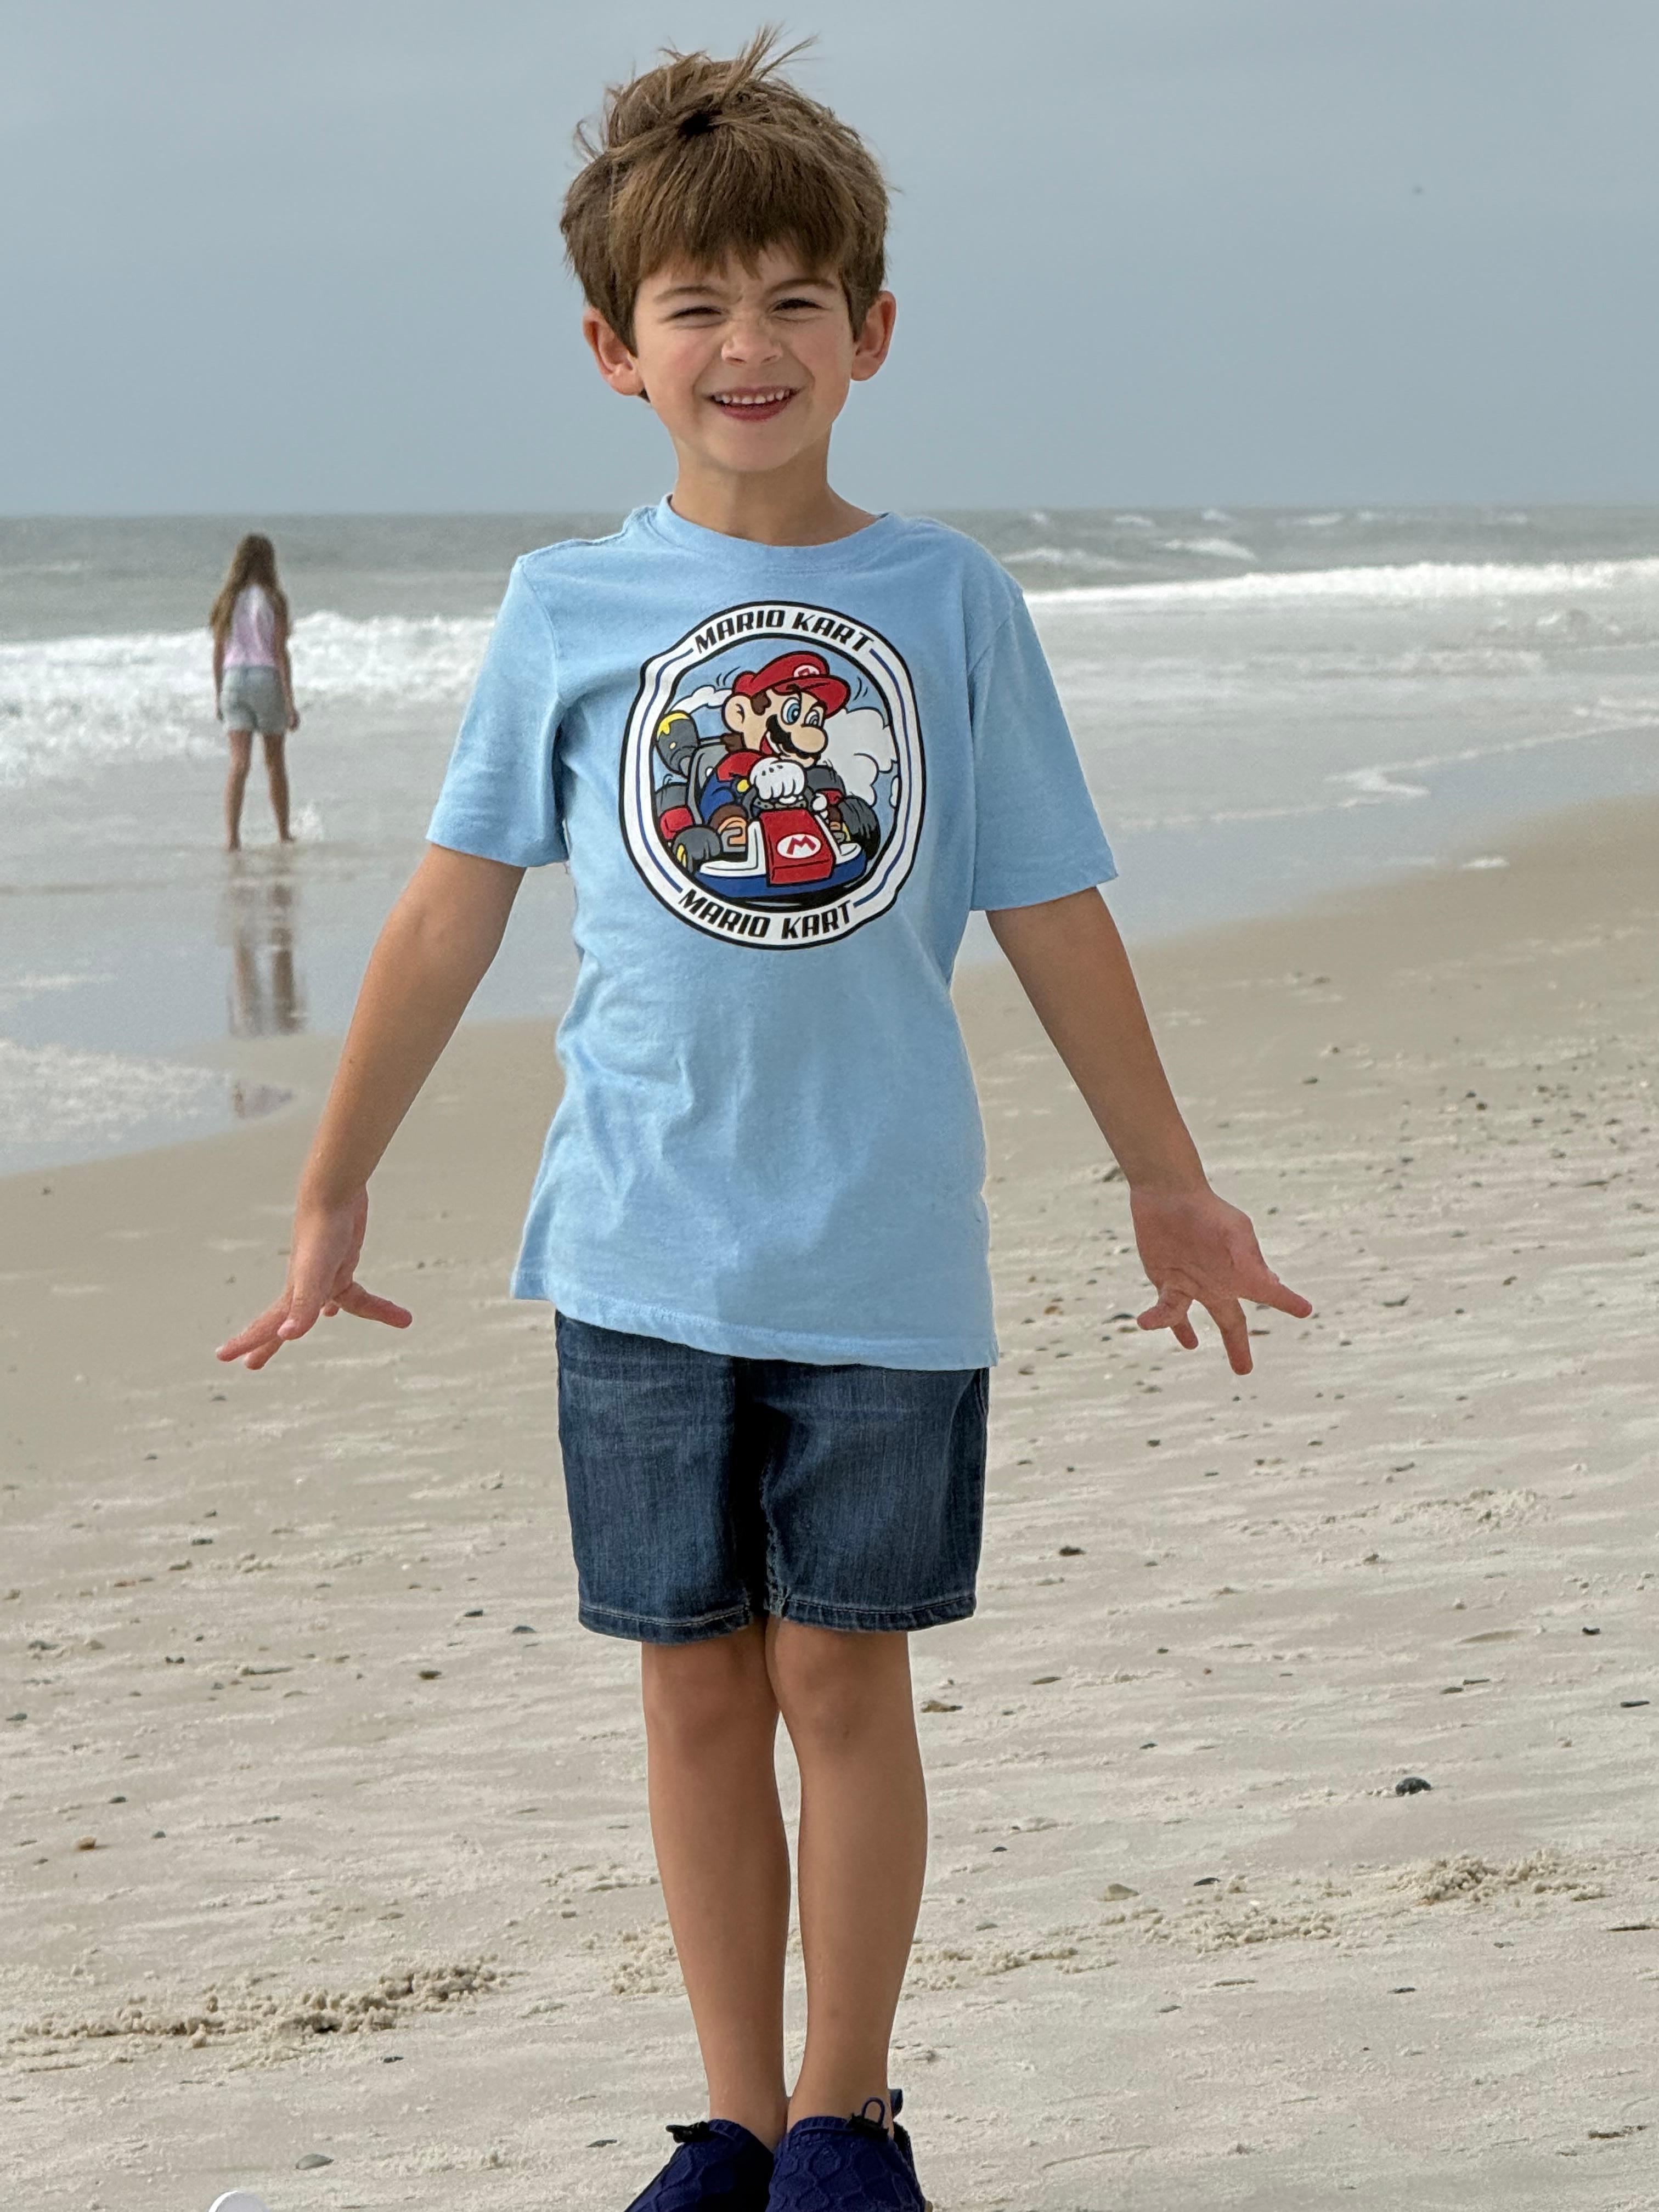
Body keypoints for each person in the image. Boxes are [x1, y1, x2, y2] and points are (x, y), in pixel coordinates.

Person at [216, 32, 1312, 2212]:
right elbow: (446, 919)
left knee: (843, 1667)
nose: (751, 342)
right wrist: (331, 1189)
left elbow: (1052, 906)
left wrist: (1167, 1183)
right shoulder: (568, 608)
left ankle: (847, 2116)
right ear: (616, 351)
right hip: (635, 1241)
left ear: (872, 334)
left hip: (882, 1242)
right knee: (697, 1685)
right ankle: (728, 2122)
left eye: (797, 300)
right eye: (697, 306)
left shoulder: (947, 600)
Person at [209, 532, 298, 851]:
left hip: (233, 679)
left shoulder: (227, 600)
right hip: (265, 678)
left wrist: (219, 693)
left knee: (238, 764)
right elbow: (279, 652)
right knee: (274, 761)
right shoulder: (274, 599)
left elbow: (219, 652)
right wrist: (290, 703)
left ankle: (232, 838)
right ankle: (284, 832)